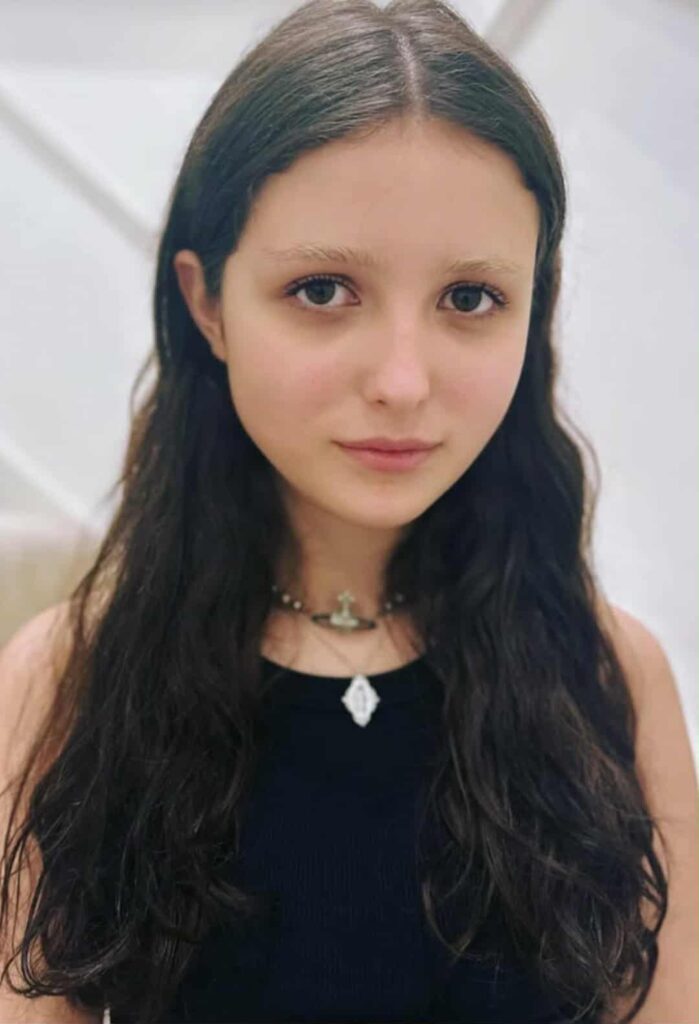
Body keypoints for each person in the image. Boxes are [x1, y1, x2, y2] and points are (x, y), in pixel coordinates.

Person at [1, 0, 697, 1022]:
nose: (402, 382)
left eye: (470, 298)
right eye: (324, 290)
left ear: (534, 308)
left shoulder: (610, 679)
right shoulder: (68, 683)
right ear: (206, 303)